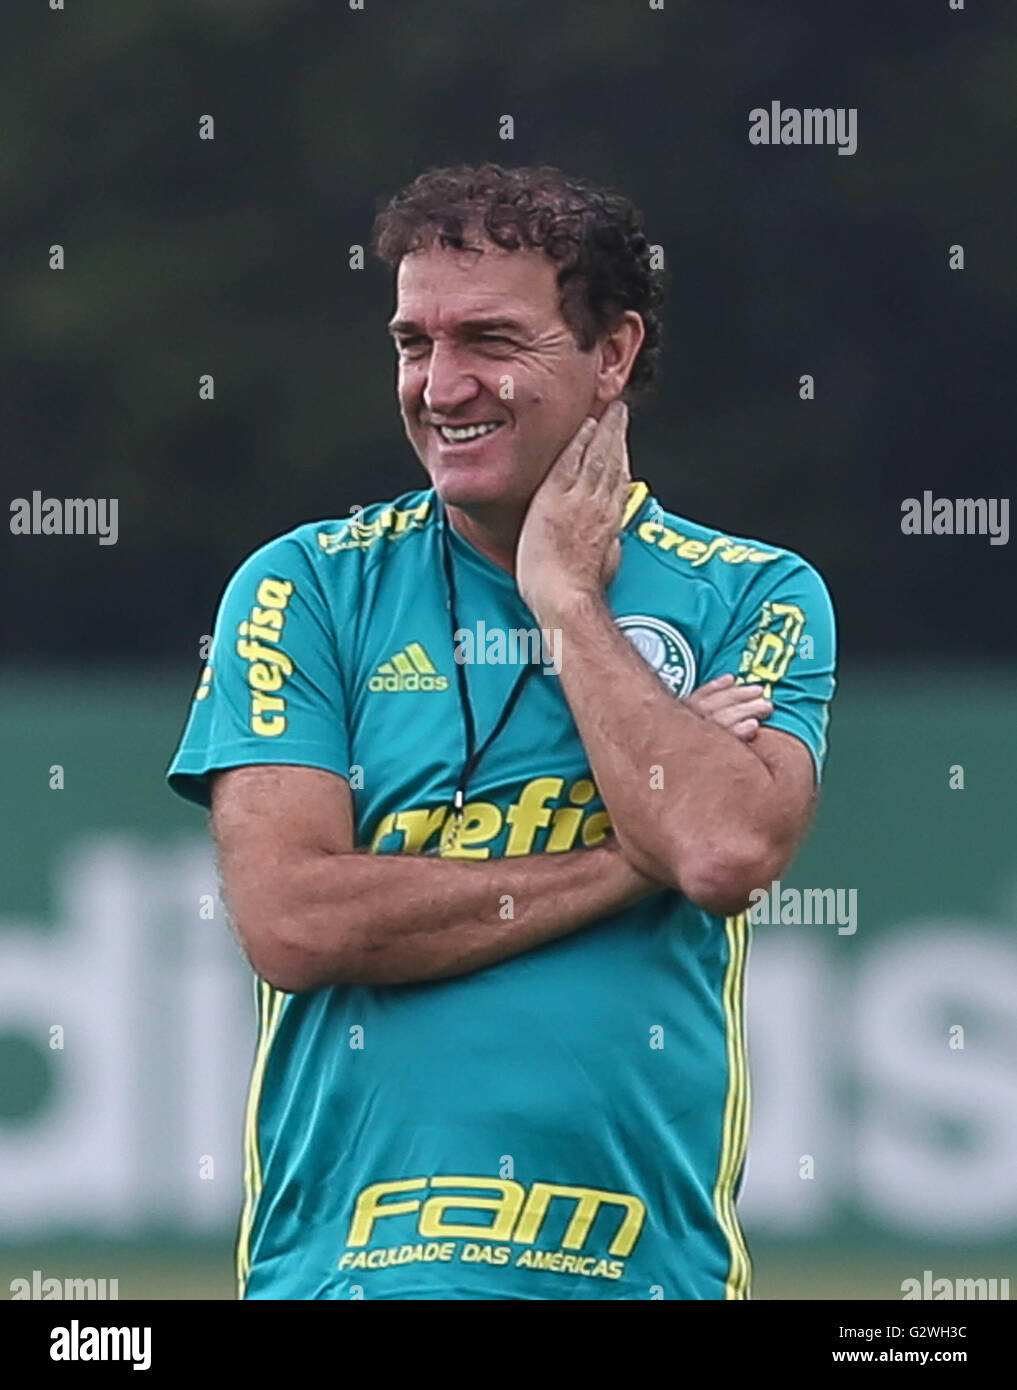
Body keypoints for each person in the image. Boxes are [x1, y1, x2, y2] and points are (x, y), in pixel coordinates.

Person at [166, 163, 837, 1300]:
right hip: (348, 1277)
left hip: (638, 1277)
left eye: (488, 339)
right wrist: (636, 853)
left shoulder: (752, 591)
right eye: (412, 343)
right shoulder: (308, 586)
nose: (441, 384)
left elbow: (721, 852)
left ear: (611, 354)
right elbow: (291, 919)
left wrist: (567, 599)